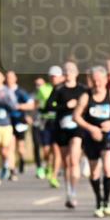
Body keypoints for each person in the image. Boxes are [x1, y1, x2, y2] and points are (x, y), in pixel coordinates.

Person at [73, 65, 110, 217]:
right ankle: (98, 201)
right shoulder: (86, 96)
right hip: (91, 137)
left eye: (100, 80)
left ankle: (107, 202)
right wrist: (91, 128)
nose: (97, 83)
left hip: (108, 135)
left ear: (105, 80)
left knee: (107, 168)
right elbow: (76, 116)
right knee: (94, 172)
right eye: (94, 80)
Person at [44, 61, 87, 208]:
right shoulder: (58, 89)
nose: (68, 73)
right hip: (61, 128)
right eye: (65, 71)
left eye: (70, 71)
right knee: (66, 162)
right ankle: (69, 191)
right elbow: (48, 106)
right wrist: (65, 106)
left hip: (77, 127)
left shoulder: (83, 89)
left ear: (76, 73)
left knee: (74, 160)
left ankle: (74, 192)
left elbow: (89, 105)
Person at [37, 66, 64, 187]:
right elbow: (40, 104)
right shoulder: (43, 89)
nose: (54, 79)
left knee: (57, 150)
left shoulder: (64, 89)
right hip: (47, 122)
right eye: (52, 76)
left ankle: (54, 176)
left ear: (60, 77)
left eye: (56, 76)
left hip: (58, 122)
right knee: (46, 150)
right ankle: (48, 165)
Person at [6, 70, 34, 178]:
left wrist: (19, 106)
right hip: (8, 121)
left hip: (20, 120)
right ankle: (12, 170)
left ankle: (22, 159)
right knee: (10, 146)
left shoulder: (20, 92)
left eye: (11, 77)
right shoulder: (3, 91)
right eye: (7, 77)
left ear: (15, 79)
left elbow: (31, 105)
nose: (8, 79)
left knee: (20, 147)